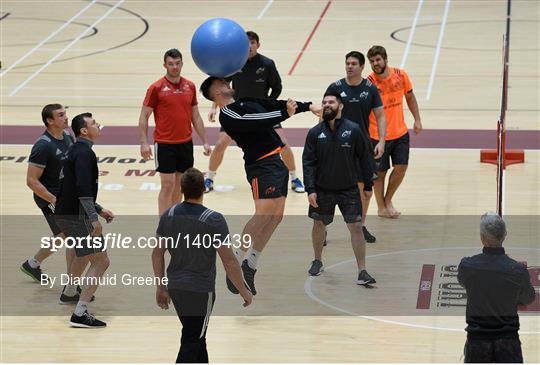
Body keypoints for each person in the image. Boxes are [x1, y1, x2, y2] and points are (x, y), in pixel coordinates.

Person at [200, 76, 320, 295]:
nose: (227, 84)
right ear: (215, 94)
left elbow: (274, 104)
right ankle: (234, 260)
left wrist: (308, 106)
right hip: (260, 166)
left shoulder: (246, 102)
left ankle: (250, 264)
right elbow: (256, 121)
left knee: (277, 216)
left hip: (277, 162)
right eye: (221, 84)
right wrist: (285, 113)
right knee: (263, 215)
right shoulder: (228, 115)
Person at [152, 168, 253, 363]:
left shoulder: (168, 215)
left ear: (181, 190)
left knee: (198, 336)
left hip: (176, 288)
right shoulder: (214, 220)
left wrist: (160, 286)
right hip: (200, 291)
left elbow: (157, 254)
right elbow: (230, 261)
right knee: (192, 340)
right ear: (203, 190)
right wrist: (244, 290)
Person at [205, 31, 305, 194]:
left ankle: (294, 178)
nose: (249, 46)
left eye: (252, 42)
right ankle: (209, 178)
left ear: (258, 45)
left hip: (261, 113)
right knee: (221, 144)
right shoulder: (235, 62)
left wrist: (269, 106)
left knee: (283, 144)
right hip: (238, 114)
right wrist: (213, 107)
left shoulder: (267, 64)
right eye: (246, 43)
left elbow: (277, 87)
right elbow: (221, 86)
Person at [302, 91, 376, 284]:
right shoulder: (314, 133)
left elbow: (365, 158)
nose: (327, 105)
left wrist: (368, 184)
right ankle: (317, 260)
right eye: (324, 102)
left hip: (348, 190)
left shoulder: (353, 130)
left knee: (357, 227)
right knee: (318, 224)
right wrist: (310, 189)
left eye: (331, 102)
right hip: (322, 189)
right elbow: (308, 163)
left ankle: (362, 271)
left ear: (340, 106)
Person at [21, 104, 91, 304]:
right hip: (50, 198)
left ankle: (33, 264)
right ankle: (71, 286)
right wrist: (55, 200)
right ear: (50, 121)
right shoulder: (43, 145)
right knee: (71, 236)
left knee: (64, 236)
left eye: (65, 114)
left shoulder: (68, 137)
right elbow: (31, 181)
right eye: (61, 115)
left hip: (64, 196)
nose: (66, 118)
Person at [56, 113, 115, 328]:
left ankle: (70, 292)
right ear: (83, 130)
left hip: (66, 213)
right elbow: (82, 189)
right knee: (101, 260)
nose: (99, 125)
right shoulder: (84, 154)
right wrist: (93, 217)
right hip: (77, 215)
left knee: (83, 255)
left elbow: (71, 188)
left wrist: (98, 210)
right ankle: (79, 313)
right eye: (94, 124)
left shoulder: (75, 150)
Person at [139, 48, 212, 215]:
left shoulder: (190, 86)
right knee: (167, 185)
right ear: (165, 65)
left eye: (177, 63)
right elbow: (144, 116)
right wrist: (144, 143)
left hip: (185, 143)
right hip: (164, 144)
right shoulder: (156, 88)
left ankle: (173, 219)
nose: (174, 67)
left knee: (180, 186)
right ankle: (164, 223)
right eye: (171, 64)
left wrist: (205, 140)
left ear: (182, 64)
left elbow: (196, 116)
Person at [458, 213, 536, 363]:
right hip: (508, 342)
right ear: (504, 235)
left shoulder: (467, 266)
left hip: (477, 342)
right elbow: (528, 298)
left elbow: (464, 282)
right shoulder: (517, 270)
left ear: (482, 237)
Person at [326, 51, 387, 243]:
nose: (350, 66)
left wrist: (382, 141)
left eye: (354, 64)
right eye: (347, 63)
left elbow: (380, 115)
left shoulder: (370, 89)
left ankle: (360, 225)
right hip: (337, 146)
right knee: (330, 188)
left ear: (362, 67)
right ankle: (324, 228)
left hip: (362, 147)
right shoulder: (335, 88)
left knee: (364, 190)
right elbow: (325, 115)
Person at [366, 45, 422, 218]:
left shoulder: (401, 75)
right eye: (372, 61)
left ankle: (388, 199)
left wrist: (417, 119)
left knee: (401, 168)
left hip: (400, 133)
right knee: (380, 173)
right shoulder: (369, 83)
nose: (375, 63)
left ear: (385, 59)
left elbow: (410, 97)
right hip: (377, 136)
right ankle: (381, 208)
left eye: (378, 60)